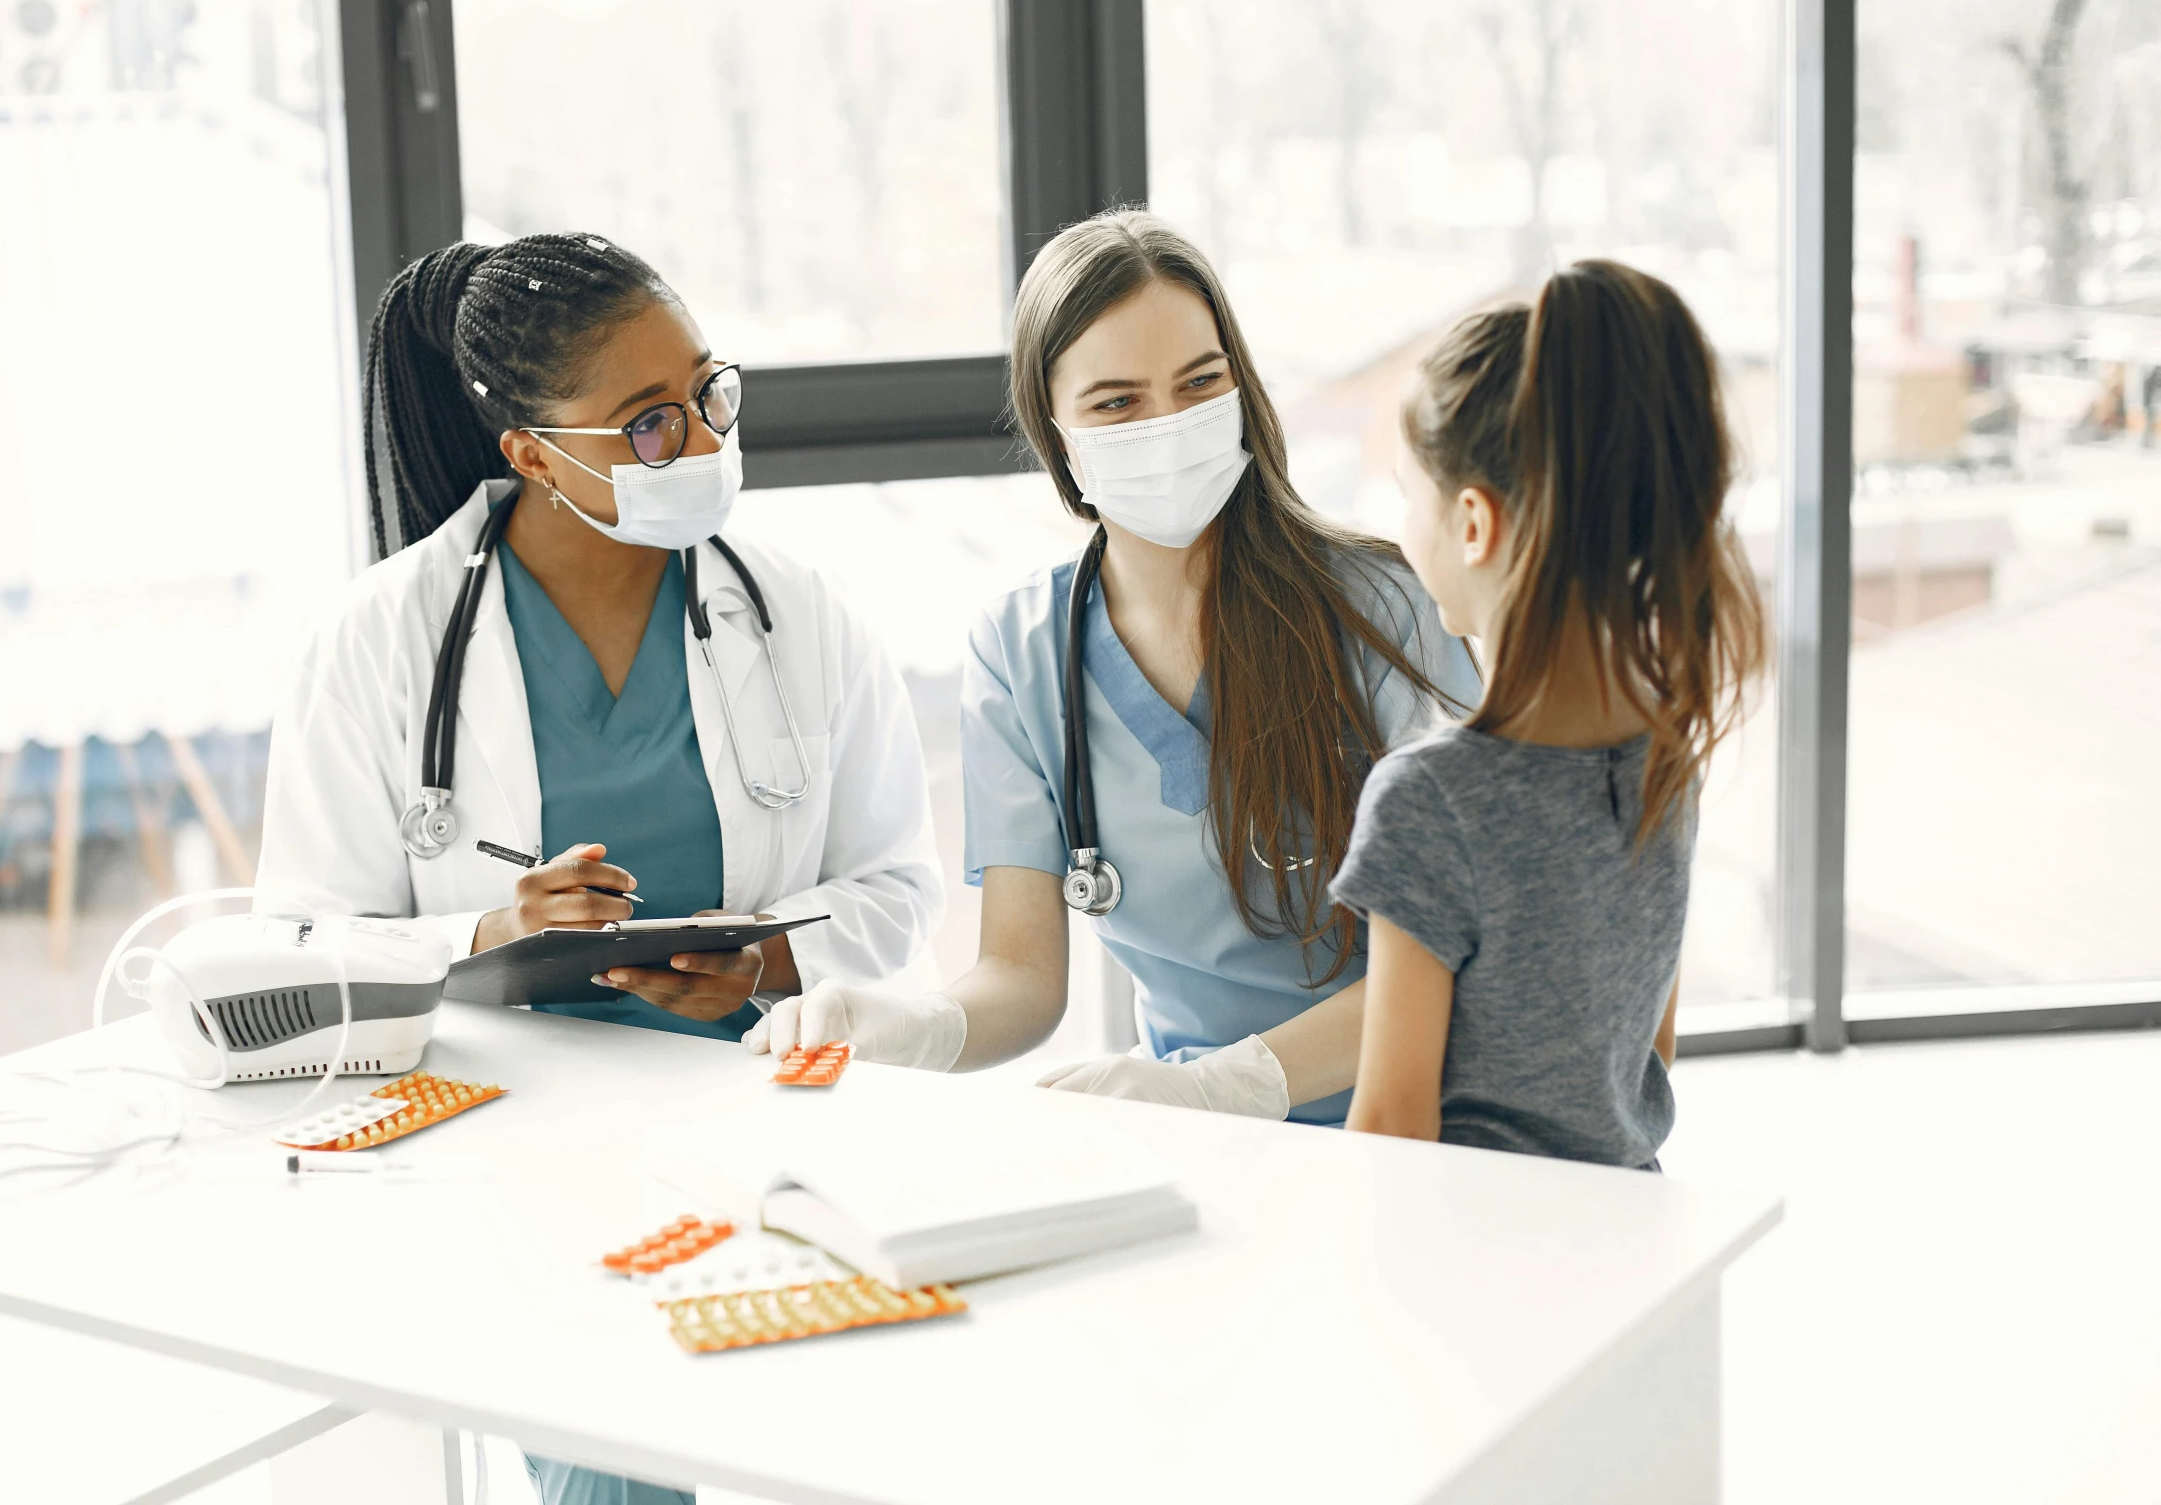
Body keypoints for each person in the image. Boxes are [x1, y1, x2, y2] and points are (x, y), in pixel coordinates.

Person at [254, 233, 943, 1505]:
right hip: (520, 1155)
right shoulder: (380, 643)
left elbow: (900, 887)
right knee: (615, 1471)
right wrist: (481, 931)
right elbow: (294, 941)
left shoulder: (800, 613)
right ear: (529, 453)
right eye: (644, 426)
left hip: (765, 1119)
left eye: (706, 396)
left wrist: (764, 957)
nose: (697, 442)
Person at [752, 211, 1479, 1125]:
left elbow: (1465, 945)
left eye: (1200, 383)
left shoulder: (1387, 612)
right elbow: (1021, 978)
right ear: (1058, 436)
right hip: (1196, 1136)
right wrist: (899, 1026)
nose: (1168, 425)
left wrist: (1228, 1084)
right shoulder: (1022, 652)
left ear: (1243, 391)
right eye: (1118, 402)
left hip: (1417, 1127)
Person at [1333, 261, 1766, 1168]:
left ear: (1475, 522)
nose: (1406, 526)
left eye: (1413, 496)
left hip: (1476, 1273)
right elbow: (1650, 1056)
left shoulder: (1430, 799)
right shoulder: (1666, 750)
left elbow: (1390, 1135)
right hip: (1631, 1234)